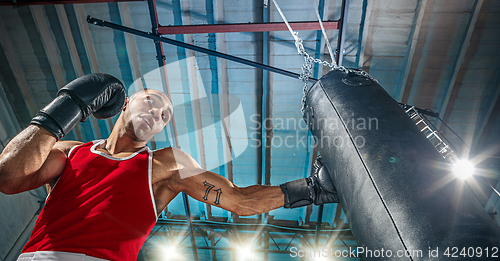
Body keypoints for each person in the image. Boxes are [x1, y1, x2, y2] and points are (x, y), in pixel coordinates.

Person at [0, 74, 339, 261]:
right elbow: (9, 177)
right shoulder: (69, 151)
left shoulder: (165, 163)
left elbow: (239, 200)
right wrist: (68, 105)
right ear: (126, 102)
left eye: (165, 116)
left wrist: (313, 188)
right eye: (151, 100)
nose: (158, 114)